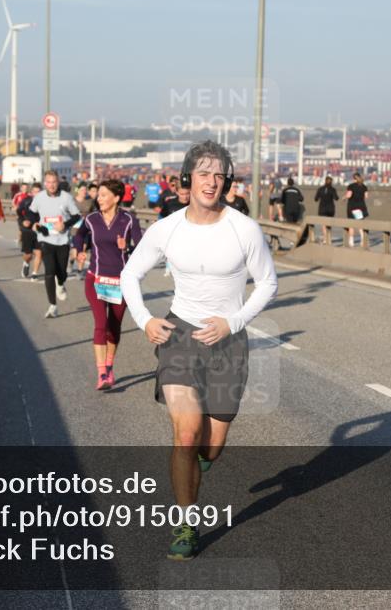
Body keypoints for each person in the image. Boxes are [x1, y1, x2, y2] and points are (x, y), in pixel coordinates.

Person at [120, 140, 277, 561]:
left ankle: (200, 463)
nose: (211, 181)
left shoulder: (243, 228)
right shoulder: (167, 228)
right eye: (203, 173)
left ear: (227, 181)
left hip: (228, 341)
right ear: (187, 179)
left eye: (219, 174)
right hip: (180, 337)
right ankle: (185, 524)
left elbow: (268, 283)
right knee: (186, 435)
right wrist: (146, 320)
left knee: (212, 446)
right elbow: (130, 275)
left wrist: (234, 321)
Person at [73, 180, 143, 390]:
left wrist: (127, 249)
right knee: (101, 324)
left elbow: (142, 249)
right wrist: (80, 249)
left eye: (104, 195)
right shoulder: (92, 219)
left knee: (114, 327)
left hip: (121, 283)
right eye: (99, 195)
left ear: (116, 198)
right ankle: (102, 372)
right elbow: (79, 235)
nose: (99, 198)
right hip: (96, 279)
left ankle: (110, 366)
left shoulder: (129, 220)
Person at [30, 171, 83, 318]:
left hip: (62, 241)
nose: (51, 185)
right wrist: (36, 224)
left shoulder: (66, 198)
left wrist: (65, 224)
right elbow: (31, 213)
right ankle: (52, 306)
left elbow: (77, 216)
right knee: (49, 272)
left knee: (61, 273)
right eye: (48, 182)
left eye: (54, 182)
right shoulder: (39, 197)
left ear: (57, 182)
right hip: (45, 240)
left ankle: (61, 283)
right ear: (45, 183)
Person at [18, 182, 44, 279]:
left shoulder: (45, 202)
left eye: (39, 192)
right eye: (35, 191)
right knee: (28, 255)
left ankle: (34, 273)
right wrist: (23, 221)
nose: (36, 194)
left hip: (39, 231)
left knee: (39, 253)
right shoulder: (26, 201)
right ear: (31, 192)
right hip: (28, 231)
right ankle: (26, 263)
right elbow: (19, 213)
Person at [345, 172, 369, 247]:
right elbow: (366, 196)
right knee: (360, 224)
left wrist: (344, 197)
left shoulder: (351, 186)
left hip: (352, 207)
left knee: (351, 224)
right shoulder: (364, 186)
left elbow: (349, 195)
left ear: (353, 179)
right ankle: (363, 240)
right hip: (361, 207)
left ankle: (351, 242)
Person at [314, 176, 339, 245]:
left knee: (324, 225)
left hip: (322, 209)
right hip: (330, 209)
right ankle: (329, 238)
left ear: (325, 181)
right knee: (329, 224)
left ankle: (325, 239)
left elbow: (316, 199)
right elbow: (336, 198)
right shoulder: (333, 189)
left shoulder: (320, 189)